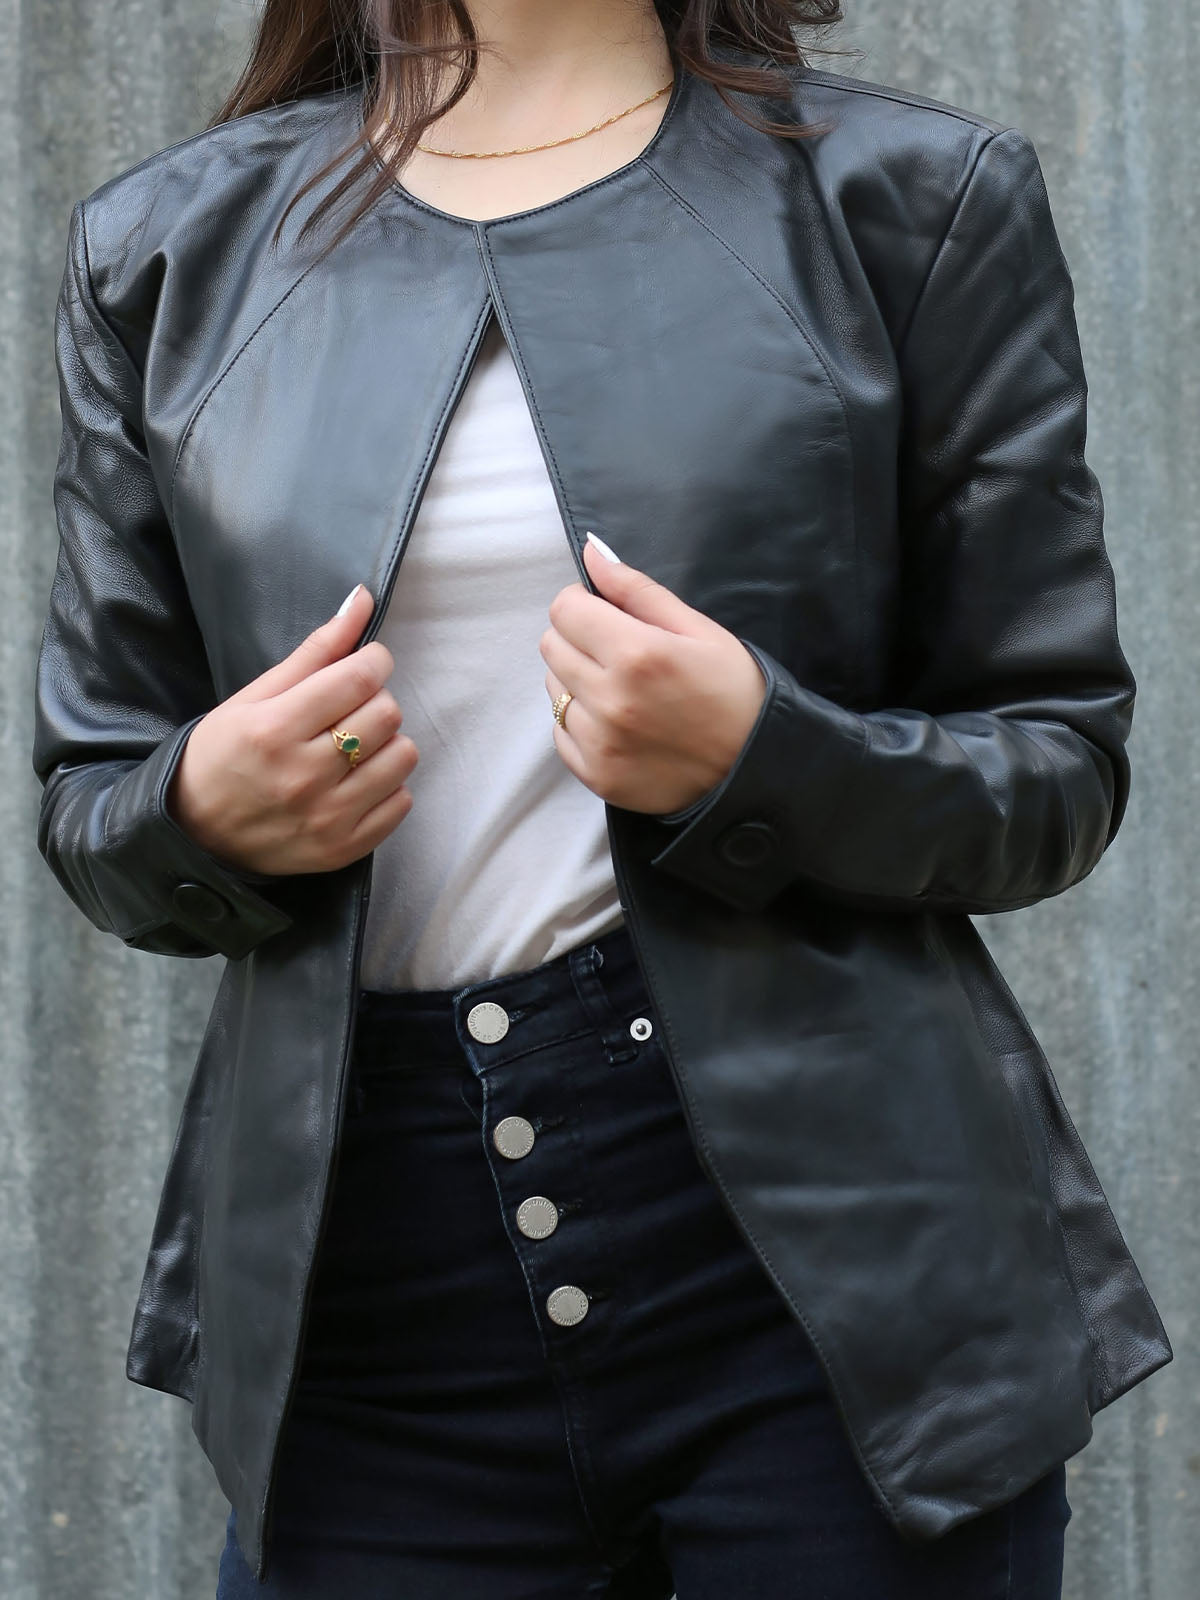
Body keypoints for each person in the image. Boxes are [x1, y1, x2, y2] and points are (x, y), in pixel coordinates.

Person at [31, 1, 1172, 1596]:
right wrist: (202, 814)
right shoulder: (168, 251)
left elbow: (1055, 762)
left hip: (835, 1272)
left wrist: (765, 758)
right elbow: (93, 798)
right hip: (373, 1291)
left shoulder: (913, 199)